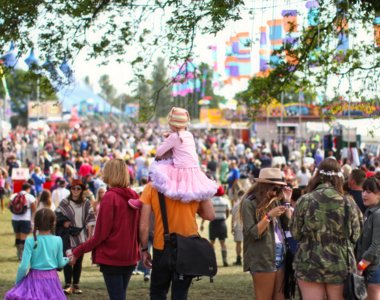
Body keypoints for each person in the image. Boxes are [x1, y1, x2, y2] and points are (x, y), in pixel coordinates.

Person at [290, 158, 363, 300]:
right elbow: (356, 235)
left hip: (309, 262)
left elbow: (295, 233)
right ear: (339, 178)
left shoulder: (304, 200)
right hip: (340, 263)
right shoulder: (348, 203)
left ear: (318, 175)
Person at [70, 159, 141, 300]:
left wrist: (77, 251)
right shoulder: (134, 196)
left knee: (117, 297)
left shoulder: (110, 197)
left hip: (112, 257)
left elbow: (100, 234)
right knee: (120, 296)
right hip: (130, 256)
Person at [139, 181, 215, 299]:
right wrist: (192, 207)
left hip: (162, 247)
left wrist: (144, 249)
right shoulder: (194, 184)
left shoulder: (152, 186)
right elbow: (210, 215)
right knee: (180, 294)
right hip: (188, 246)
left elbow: (144, 226)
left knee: (157, 292)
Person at [240, 168, 292, 300]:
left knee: (280, 297)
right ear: (264, 187)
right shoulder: (249, 203)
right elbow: (253, 233)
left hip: (280, 254)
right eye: (275, 188)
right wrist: (269, 216)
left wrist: (286, 202)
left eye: (279, 188)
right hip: (262, 256)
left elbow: (289, 226)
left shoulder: (275, 200)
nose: (276, 192)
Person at [149, 107, 218, 202]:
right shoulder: (189, 134)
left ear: (173, 124)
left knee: (157, 169)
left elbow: (159, 152)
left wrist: (168, 139)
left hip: (181, 170)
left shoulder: (174, 136)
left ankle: (146, 199)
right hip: (194, 171)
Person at [4, 208, 70, 300]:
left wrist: (18, 283)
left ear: (36, 223)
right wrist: (68, 259)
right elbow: (60, 264)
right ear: (53, 223)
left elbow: (23, 266)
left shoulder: (30, 240)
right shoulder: (58, 240)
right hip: (52, 282)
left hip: (33, 280)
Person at [55, 179, 96, 295]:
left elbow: (91, 219)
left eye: (78, 188)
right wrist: (63, 222)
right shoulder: (64, 203)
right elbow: (56, 215)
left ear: (82, 190)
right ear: (70, 189)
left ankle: (76, 284)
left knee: (78, 260)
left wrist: (89, 236)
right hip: (67, 236)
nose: (76, 190)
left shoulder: (86, 203)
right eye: (73, 188)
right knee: (68, 259)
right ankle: (68, 284)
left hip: (81, 235)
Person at [355, 176, 380, 299]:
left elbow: (376, 246)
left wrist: (360, 266)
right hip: (369, 269)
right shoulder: (369, 211)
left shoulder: (377, 214)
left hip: (374, 269)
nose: (364, 194)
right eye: (363, 191)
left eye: (369, 192)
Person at [200, 185, 231, 267]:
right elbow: (228, 212)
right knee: (223, 242)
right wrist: (225, 218)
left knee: (212, 243)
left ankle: (212, 261)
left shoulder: (211, 201)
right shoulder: (225, 201)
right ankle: (225, 260)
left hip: (213, 223)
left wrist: (202, 224)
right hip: (222, 223)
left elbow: (207, 213)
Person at [10, 183, 37, 260]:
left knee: (17, 236)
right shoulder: (30, 197)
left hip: (15, 219)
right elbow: (34, 209)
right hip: (25, 219)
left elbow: (9, 206)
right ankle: (21, 255)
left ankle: (18, 251)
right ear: (28, 189)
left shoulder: (14, 195)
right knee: (23, 237)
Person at [231, 189, 245, 266]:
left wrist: (232, 227)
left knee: (238, 244)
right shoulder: (247, 202)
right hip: (246, 225)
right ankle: (246, 259)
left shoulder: (236, 204)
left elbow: (233, 217)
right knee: (246, 243)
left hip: (238, 225)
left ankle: (238, 259)